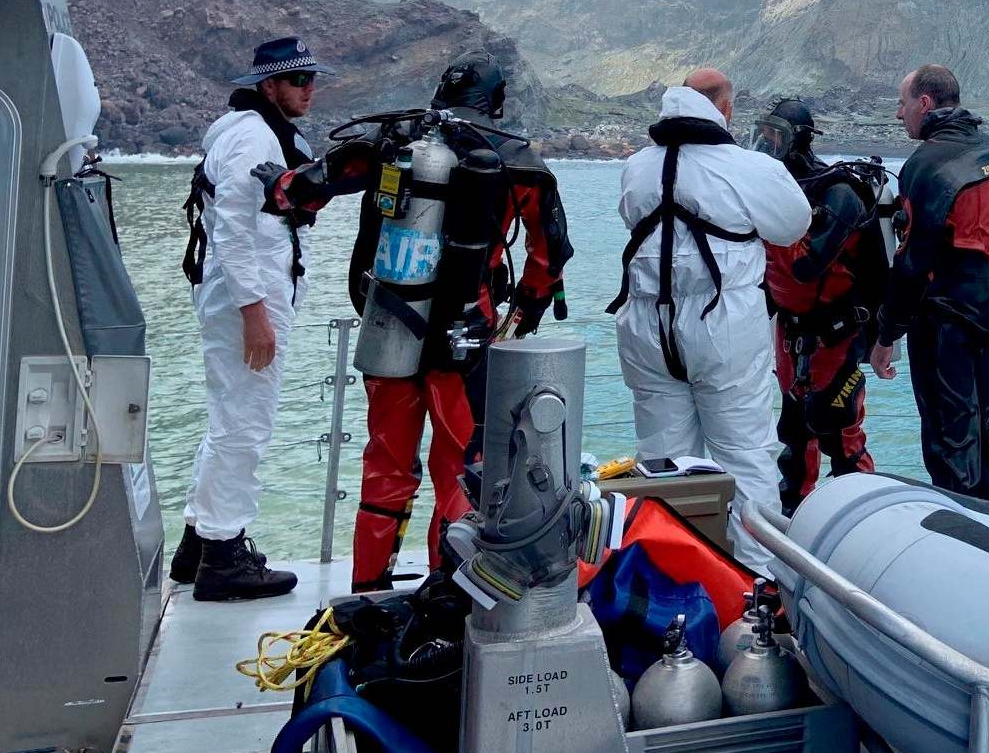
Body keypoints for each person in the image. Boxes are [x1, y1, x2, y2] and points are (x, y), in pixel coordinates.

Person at [343, 54, 572, 591]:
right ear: (496, 103)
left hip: (391, 332)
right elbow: (548, 257)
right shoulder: (519, 162)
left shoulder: (397, 146)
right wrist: (524, 313)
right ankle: (443, 593)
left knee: (385, 469)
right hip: (466, 341)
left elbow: (305, 187)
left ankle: (366, 591)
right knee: (459, 469)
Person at [609, 69, 811, 571]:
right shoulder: (747, 168)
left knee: (662, 462)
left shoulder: (636, 167)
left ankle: (673, 582)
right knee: (746, 457)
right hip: (723, 327)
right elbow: (792, 226)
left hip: (646, 326)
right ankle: (757, 591)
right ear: (725, 109)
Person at [172, 36, 336, 601]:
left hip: (249, 294)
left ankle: (198, 540)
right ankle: (223, 557)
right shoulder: (250, 137)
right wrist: (254, 314)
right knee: (246, 422)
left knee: (230, 416)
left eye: (312, 79)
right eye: (298, 81)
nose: (308, 90)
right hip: (250, 298)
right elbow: (233, 230)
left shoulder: (255, 129)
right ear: (270, 86)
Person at [869, 65, 989, 501]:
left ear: (924, 103)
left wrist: (885, 335)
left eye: (901, 105)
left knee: (948, 443)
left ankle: (969, 537)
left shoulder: (925, 165)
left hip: (944, 324)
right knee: (977, 430)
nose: (898, 116)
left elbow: (912, 262)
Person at [751, 98, 888, 514]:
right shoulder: (774, 193)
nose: (765, 145)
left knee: (839, 429)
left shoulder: (839, 193)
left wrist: (762, 234)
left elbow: (807, 267)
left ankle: (862, 520)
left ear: (800, 141)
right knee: (794, 433)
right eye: (763, 135)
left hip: (834, 332)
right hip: (790, 332)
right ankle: (796, 520)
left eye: (775, 137)